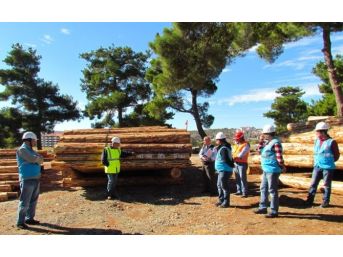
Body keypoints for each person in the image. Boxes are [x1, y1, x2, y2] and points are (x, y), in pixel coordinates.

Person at [305, 122, 340, 208]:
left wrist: (329, 161)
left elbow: (336, 155)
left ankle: (325, 202)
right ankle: (309, 200)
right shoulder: (316, 141)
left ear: (323, 132)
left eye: (317, 132)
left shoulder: (331, 142)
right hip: (317, 166)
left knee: (326, 185)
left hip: (327, 167)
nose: (316, 133)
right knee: (313, 183)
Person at [254, 125, 285, 218]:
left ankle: (274, 211)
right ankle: (263, 207)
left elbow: (279, 157)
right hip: (266, 169)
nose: (263, 135)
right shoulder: (267, 143)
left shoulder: (275, 143)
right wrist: (260, 141)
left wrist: (282, 166)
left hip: (272, 170)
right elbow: (259, 150)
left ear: (269, 134)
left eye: (264, 134)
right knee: (263, 188)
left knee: (272, 190)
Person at [16, 131, 44, 229]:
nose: (35, 142)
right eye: (34, 140)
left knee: (33, 200)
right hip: (27, 179)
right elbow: (33, 159)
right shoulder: (22, 149)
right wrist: (37, 159)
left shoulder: (31, 150)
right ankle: (20, 222)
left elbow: (41, 159)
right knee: (25, 201)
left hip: (35, 178)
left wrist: (37, 159)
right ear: (29, 140)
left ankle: (29, 218)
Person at [214, 132, 234, 208]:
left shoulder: (224, 149)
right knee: (219, 185)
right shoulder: (223, 147)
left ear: (220, 140)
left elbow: (226, 160)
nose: (216, 141)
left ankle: (226, 202)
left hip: (225, 170)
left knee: (224, 186)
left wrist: (232, 165)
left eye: (217, 140)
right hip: (221, 170)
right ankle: (221, 200)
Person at [232, 130, 250, 198]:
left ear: (241, 138)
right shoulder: (237, 144)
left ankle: (244, 192)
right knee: (237, 178)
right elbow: (233, 152)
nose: (236, 140)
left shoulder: (246, 144)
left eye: (237, 138)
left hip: (242, 164)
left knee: (243, 178)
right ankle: (239, 191)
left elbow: (241, 154)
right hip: (236, 163)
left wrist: (234, 157)